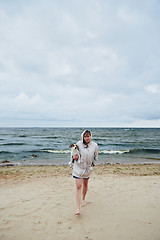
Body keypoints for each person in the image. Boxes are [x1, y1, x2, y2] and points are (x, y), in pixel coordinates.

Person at [72, 130, 98, 215]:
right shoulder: (78, 144)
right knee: (79, 186)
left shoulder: (94, 145)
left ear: (90, 136)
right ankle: (77, 208)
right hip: (78, 167)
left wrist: (92, 165)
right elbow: (73, 154)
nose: (87, 138)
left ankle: (83, 199)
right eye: (85, 136)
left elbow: (96, 157)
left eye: (88, 136)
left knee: (85, 184)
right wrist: (74, 157)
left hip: (87, 168)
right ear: (82, 137)